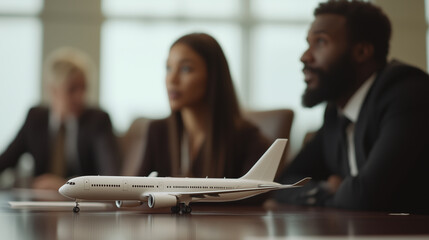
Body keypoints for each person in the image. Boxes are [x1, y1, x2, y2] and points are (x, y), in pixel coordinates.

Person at [275, 0, 429, 214]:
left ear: (361, 52)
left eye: (320, 42)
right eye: (308, 43)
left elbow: (365, 197)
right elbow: (284, 184)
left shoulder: (407, 93)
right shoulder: (336, 111)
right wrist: (328, 189)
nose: (305, 56)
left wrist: (347, 193)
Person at [138, 33, 270, 179]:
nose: (171, 80)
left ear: (213, 76)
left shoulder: (247, 139)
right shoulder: (159, 132)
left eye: (185, 69)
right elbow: (131, 192)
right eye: (168, 68)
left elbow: (257, 195)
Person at [0, 47, 120, 190]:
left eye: (84, 88)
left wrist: (65, 184)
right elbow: (5, 161)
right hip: (40, 203)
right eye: (72, 89)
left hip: (83, 203)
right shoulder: (35, 118)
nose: (80, 97)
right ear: (53, 90)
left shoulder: (98, 121)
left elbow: (112, 176)